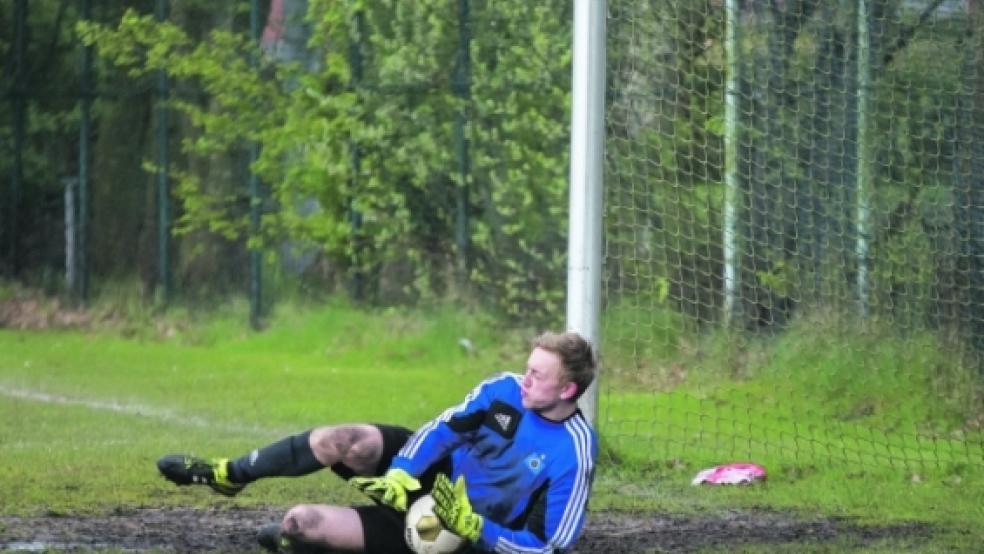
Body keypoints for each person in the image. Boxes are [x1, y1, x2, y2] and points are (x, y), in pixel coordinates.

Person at [157, 331, 598, 553]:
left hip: (455, 534)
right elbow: (442, 430)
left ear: (567, 392)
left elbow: (550, 547)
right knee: (345, 439)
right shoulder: (505, 390)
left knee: (298, 523)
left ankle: (306, 544)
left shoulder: (574, 452)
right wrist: (405, 471)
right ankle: (228, 474)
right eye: (528, 367)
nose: (526, 379)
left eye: (538, 375)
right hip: (434, 478)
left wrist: (475, 528)